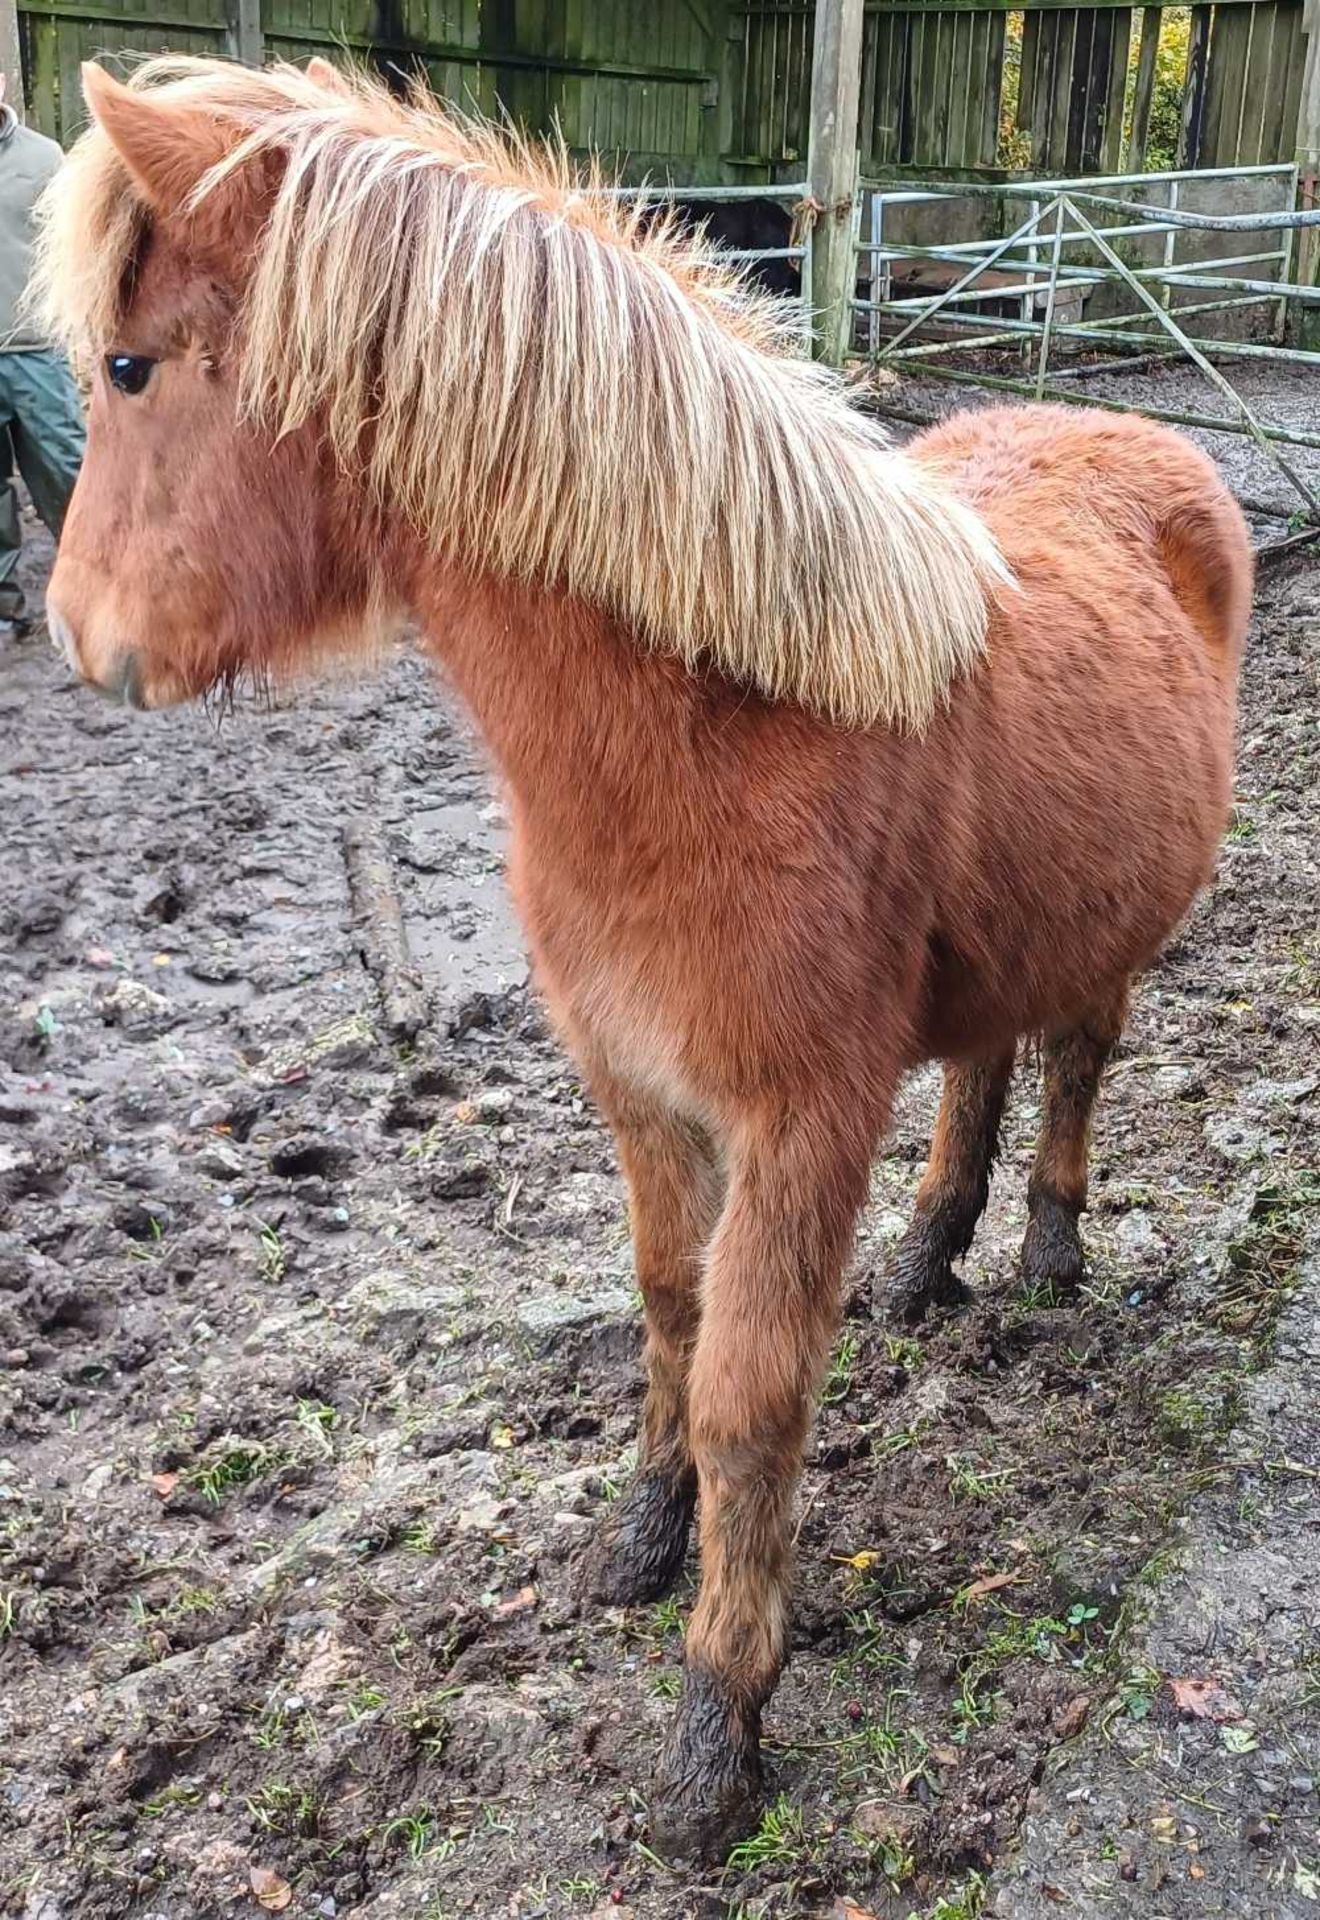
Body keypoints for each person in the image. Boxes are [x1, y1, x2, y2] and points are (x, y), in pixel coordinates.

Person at [0, 75, 84, 636]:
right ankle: (6, 605)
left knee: (70, 470)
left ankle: (94, 585)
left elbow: (74, 243)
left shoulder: (44, 157)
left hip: (35, 348)